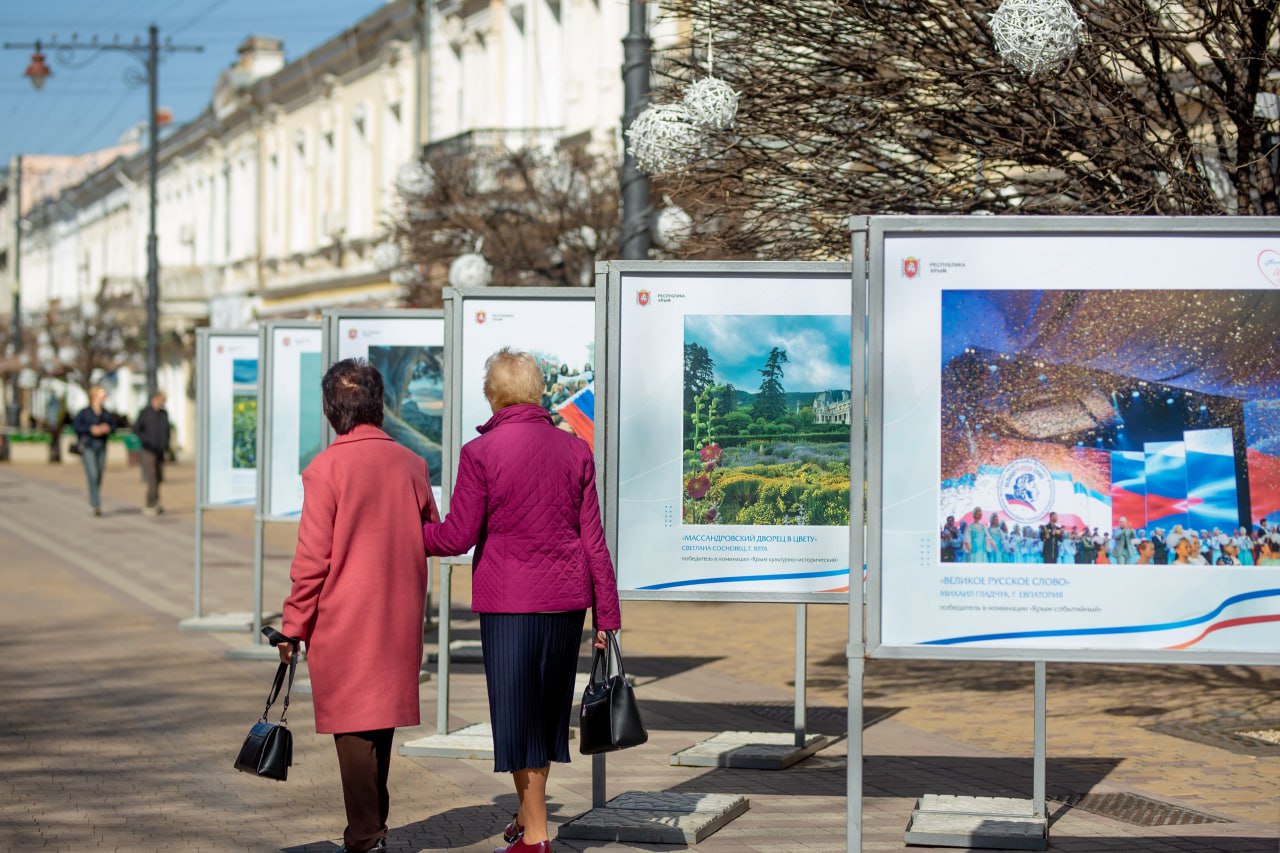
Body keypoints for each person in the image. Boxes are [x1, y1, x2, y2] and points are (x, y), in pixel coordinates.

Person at [422, 348, 621, 853]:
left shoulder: (480, 454)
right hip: (565, 603)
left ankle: (535, 837)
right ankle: (528, 817)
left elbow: (456, 537)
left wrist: (409, 528)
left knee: (516, 715)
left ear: (493, 395)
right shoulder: (575, 451)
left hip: (508, 601)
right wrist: (608, 616)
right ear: (538, 393)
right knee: (546, 712)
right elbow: (593, 539)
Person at [276, 359, 439, 853]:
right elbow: (430, 531)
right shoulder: (411, 464)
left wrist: (292, 626)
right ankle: (372, 827)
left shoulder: (325, 469)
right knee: (378, 721)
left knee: (351, 727)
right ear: (378, 405)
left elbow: (311, 559)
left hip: (344, 617)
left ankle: (365, 835)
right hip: (397, 613)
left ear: (331, 410)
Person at [72, 385, 117, 516]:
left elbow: (114, 426)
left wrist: (106, 428)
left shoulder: (106, 413)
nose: (104, 398)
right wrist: (91, 429)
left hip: (101, 445)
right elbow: (76, 426)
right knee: (93, 474)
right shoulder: (85, 412)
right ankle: (95, 504)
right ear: (94, 396)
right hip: (88, 446)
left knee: (99, 474)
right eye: (102, 395)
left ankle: (94, 502)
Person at [133, 391, 171, 515]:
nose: (163, 403)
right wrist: (146, 440)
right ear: (155, 399)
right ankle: (151, 501)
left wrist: (166, 446)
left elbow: (167, 431)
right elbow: (136, 429)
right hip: (148, 449)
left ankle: (155, 500)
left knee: (159, 476)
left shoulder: (163, 414)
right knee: (152, 476)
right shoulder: (145, 413)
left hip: (160, 450)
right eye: (161, 400)